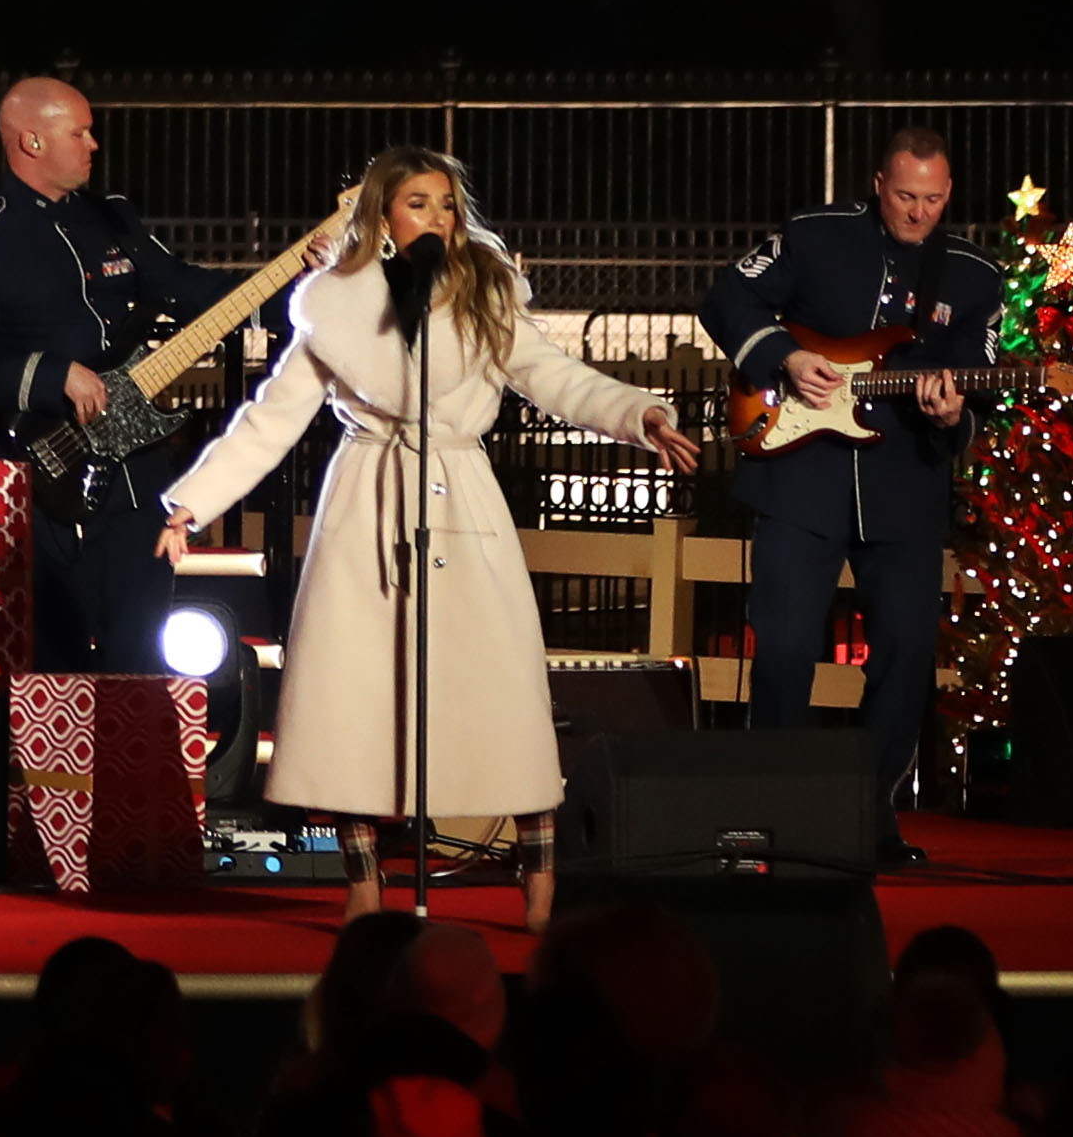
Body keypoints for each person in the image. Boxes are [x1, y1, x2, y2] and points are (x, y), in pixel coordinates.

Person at [159, 148, 700, 852]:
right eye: (419, 203)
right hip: (367, 503)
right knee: (357, 687)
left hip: (460, 498)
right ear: (382, 215)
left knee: (495, 682)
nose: (438, 218)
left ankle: (537, 870)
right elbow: (272, 418)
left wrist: (639, 415)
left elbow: (553, 375)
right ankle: (363, 876)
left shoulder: (487, 293)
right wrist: (191, 504)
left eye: (447, 205)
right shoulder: (335, 307)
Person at [716, 127, 1015, 866]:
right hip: (799, 480)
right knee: (784, 652)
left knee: (906, 658)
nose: (919, 213)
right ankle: (769, 814)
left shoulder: (975, 276)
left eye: (935, 199)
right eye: (907, 196)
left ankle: (868, 816)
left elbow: (980, 385)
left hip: (904, 488)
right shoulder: (816, 234)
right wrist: (785, 357)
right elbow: (727, 294)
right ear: (879, 183)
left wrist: (955, 415)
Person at [0, 77, 191, 674]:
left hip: (135, 477)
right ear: (32, 142)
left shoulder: (114, 218)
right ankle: (52, 771)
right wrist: (51, 375)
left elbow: (189, 287)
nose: (93, 144)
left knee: (142, 657)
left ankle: (132, 769)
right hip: (44, 484)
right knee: (52, 667)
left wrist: (305, 284)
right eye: (79, 133)